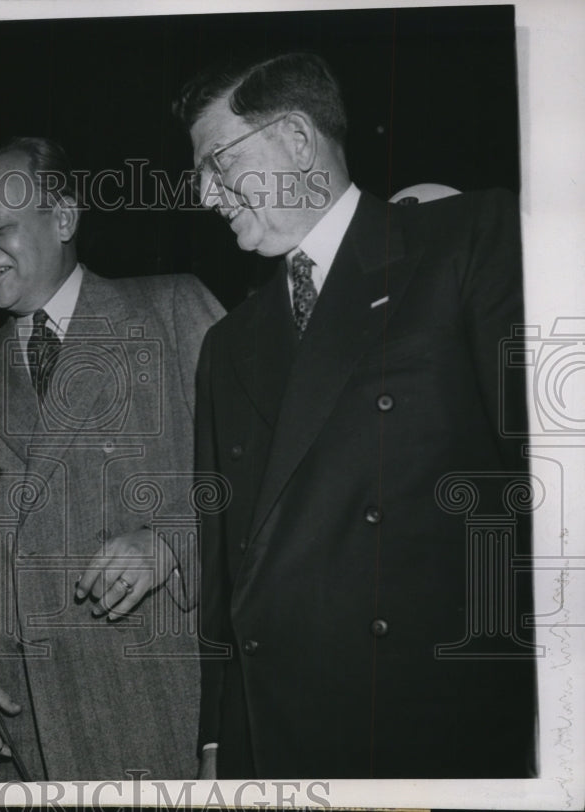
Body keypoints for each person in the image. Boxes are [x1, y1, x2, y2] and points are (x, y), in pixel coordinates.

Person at [176, 52, 536, 779]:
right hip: (274, 737)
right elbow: (225, 561)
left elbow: (547, 491)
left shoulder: (467, 241)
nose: (205, 194)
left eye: (217, 164)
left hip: (435, 724)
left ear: (299, 142)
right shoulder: (227, 343)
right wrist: (219, 735)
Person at [0, 137, 224, 780]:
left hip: (176, 715)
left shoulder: (176, 310)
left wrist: (172, 542)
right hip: (29, 735)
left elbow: (264, 488)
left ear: (63, 219)